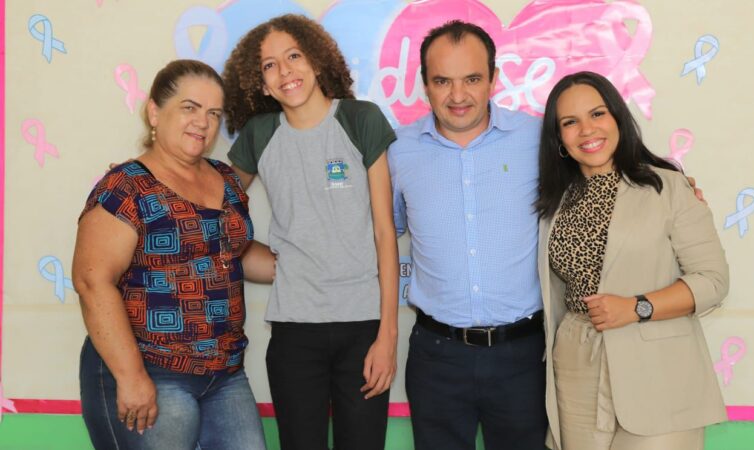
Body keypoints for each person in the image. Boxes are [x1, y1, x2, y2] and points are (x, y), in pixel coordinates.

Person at [73, 59, 274, 450]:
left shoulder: (227, 180)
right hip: (150, 368)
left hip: (225, 374)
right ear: (154, 111)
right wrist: (131, 378)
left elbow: (233, 253)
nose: (203, 122)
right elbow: (91, 281)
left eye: (213, 113)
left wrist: (305, 266)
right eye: (189, 107)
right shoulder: (126, 186)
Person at [222, 14, 399, 450]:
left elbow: (384, 232)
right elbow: (211, 206)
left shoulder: (361, 119)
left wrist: (388, 336)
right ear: (260, 84)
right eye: (269, 65)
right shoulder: (259, 134)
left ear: (316, 62)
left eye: (294, 56)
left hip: (363, 326)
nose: (285, 71)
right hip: (294, 332)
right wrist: (154, 179)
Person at [535, 71, 728, 450]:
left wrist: (637, 307)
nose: (587, 130)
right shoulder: (553, 203)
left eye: (597, 114)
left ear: (618, 118)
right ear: (558, 139)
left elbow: (713, 280)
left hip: (658, 369)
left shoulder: (667, 187)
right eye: (570, 122)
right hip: (575, 365)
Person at [389, 20, 548, 450]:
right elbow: (379, 235)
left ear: (494, 79)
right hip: (437, 357)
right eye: (443, 81)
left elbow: (604, 173)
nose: (458, 96)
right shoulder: (397, 151)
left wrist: (675, 186)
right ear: (425, 84)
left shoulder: (538, 139)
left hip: (524, 356)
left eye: (472, 79)